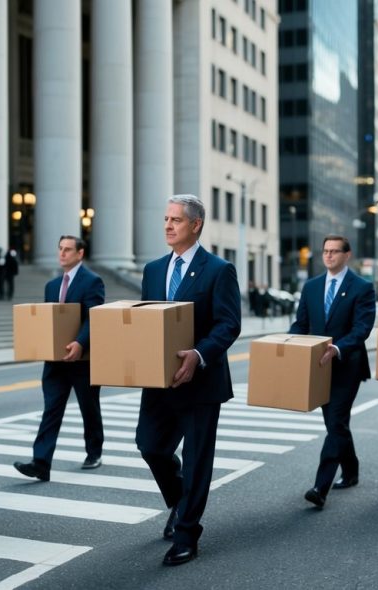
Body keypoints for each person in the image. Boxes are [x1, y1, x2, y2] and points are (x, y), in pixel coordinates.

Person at [136, 194, 241, 566]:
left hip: (200, 382)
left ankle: (187, 534)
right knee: (150, 446)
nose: (167, 225)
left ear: (195, 225)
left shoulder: (218, 269)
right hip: (160, 381)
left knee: (197, 461)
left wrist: (199, 354)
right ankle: (179, 501)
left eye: (175, 220)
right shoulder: (152, 270)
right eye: (165, 218)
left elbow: (229, 323)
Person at [290, 235, 376, 509]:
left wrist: (338, 349)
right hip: (318, 367)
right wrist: (289, 343)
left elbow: (362, 329)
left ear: (347, 255)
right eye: (325, 251)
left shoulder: (362, 287)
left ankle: (320, 486)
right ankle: (351, 470)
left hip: (346, 365)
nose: (328, 256)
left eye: (335, 251)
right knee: (335, 424)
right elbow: (301, 323)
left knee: (336, 421)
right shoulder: (312, 286)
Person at [14, 235, 106, 481]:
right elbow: (48, 320)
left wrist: (80, 342)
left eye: (68, 250)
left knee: (89, 408)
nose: (62, 253)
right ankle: (41, 463)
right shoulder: (52, 285)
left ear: (80, 253)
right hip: (55, 362)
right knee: (51, 410)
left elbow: (93, 318)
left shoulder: (92, 282)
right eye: (60, 249)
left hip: (82, 360)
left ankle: (94, 452)